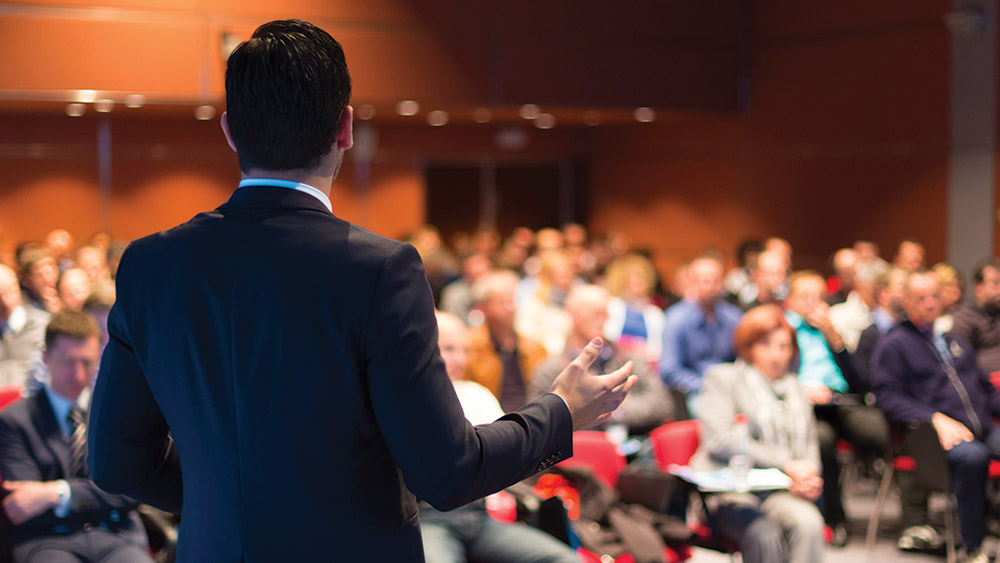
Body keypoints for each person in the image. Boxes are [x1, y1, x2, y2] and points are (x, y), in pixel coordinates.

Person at [86, 20, 636, 562]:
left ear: (229, 131)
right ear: (345, 128)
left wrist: (234, 503)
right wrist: (562, 411)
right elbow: (447, 472)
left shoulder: (150, 264)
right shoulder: (379, 270)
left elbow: (116, 464)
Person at [420, 312, 579, 563]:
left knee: (565, 559)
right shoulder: (411, 403)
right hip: (431, 518)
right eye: (449, 349)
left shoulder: (477, 394)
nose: (460, 359)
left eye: (464, 350)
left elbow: (511, 452)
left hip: (480, 517)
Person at [0, 311, 152, 562]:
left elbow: (131, 492)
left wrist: (56, 493)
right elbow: (21, 506)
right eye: (69, 362)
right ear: (46, 357)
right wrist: (99, 496)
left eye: (88, 362)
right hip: (46, 540)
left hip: (115, 536)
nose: (79, 375)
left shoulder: (115, 412)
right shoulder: (14, 420)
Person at [872, 269, 1000, 563]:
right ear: (906, 300)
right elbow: (887, 397)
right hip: (930, 436)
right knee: (973, 457)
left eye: (934, 296)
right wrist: (934, 417)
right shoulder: (894, 344)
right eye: (922, 298)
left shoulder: (953, 340)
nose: (930, 303)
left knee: (980, 448)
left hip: (980, 425)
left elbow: (982, 387)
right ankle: (972, 549)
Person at [689, 305, 825, 563]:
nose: (776, 355)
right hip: (731, 491)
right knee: (764, 533)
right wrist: (786, 463)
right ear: (748, 347)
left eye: (784, 347)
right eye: (765, 345)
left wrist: (809, 476)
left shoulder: (795, 387)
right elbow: (721, 441)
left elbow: (809, 441)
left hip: (780, 489)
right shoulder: (723, 378)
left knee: (809, 523)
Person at [783, 270, 886, 545]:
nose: (812, 303)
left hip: (841, 401)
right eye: (804, 297)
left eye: (818, 297)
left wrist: (834, 338)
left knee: (880, 432)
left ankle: (916, 518)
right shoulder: (784, 330)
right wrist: (802, 390)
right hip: (804, 407)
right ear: (789, 301)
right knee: (823, 441)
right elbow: (776, 376)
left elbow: (858, 381)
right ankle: (834, 519)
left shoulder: (830, 328)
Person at [530, 285, 673, 435]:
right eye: (596, 314)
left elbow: (662, 404)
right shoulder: (551, 370)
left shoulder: (627, 360)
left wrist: (613, 409)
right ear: (572, 314)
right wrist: (605, 405)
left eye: (606, 314)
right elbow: (540, 421)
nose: (604, 321)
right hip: (579, 451)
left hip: (633, 448)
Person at [660, 254, 742, 416]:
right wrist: (704, 386)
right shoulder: (676, 318)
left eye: (714, 279)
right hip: (695, 390)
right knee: (713, 413)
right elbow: (669, 369)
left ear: (722, 283)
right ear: (691, 282)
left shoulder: (735, 317)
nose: (708, 285)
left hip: (731, 387)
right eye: (701, 279)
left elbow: (743, 359)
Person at [465, 269, 549, 412]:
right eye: (503, 302)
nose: (511, 307)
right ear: (484, 308)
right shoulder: (470, 347)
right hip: (491, 423)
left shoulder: (535, 347)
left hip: (531, 419)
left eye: (513, 300)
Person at [0, 264, 49, 388]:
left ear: (16, 288)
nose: (5, 301)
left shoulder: (43, 324)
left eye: (8, 291)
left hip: (31, 401)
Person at [950, 257, 1000, 373]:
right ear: (978, 287)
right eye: (995, 283)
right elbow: (961, 364)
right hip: (985, 385)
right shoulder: (964, 317)